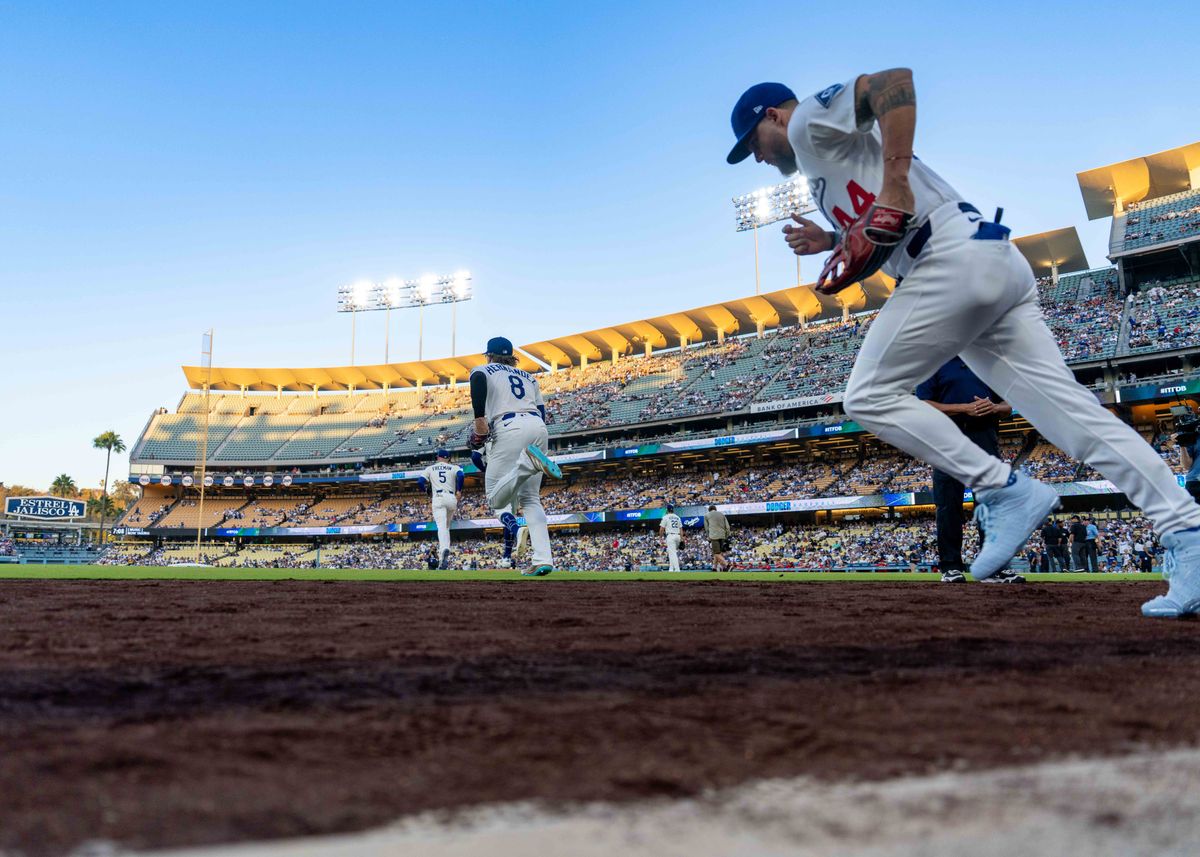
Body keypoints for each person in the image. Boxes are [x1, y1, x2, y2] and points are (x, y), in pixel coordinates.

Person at [724, 71, 1200, 617]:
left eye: (751, 144)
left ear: (772, 116)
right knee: (1074, 418)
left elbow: (891, 84)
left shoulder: (807, 119)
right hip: (990, 258)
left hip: (949, 258)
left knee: (869, 395)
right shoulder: (821, 168)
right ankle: (1188, 534)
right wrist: (834, 239)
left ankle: (1003, 488)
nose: (756, 159)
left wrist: (897, 178)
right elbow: (887, 228)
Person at [916, 357, 1023, 583]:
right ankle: (951, 566)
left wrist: (994, 407)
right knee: (948, 506)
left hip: (984, 438)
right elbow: (922, 404)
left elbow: (1008, 405)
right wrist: (964, 408)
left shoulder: (987, 362)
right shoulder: (933, 362)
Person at [468, 336, 562, 576]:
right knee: (531, 499)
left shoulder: (484, 369)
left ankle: (525, 465)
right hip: (538, 428)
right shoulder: (529, 377)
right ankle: (543, 559)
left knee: (496, 500)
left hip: (509, 426)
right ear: (512, 357)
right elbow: (541, 411)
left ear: (488, 355)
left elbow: (477, 379)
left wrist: (479, 418)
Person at [417, 449, 463, 570]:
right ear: (448, 458)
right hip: (451, 497)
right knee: (446, 527)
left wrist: (427, 491)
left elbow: (420, 482)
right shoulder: (454, 467)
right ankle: (444, 557)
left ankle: (444, 549)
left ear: (438, 458)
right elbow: (461, 475)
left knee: (441, 527)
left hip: (438, 497)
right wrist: (459, 490)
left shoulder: (430, 468)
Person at [704, 504, 731, 571]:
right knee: (718, 552)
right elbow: (727, 527)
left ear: (709, 510)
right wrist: (726, 535)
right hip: (722, 535)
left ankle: (727, 565)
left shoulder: (707, 515)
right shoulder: (722, 514)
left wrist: (709, 536)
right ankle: (714, 568)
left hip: (714, 536)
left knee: (716, 553)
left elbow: (706, 528)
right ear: (715, 509)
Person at [660, 503, 684, 572]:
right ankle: (671, 569)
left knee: (673, 553)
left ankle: (677, 570)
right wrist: (682, 539)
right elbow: (681, 529)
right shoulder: (677, 517)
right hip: (678, 536)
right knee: (671, 552)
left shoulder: (666, 517)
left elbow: (661, 529)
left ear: (667, 510)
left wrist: (660, 538)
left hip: (671, 536)